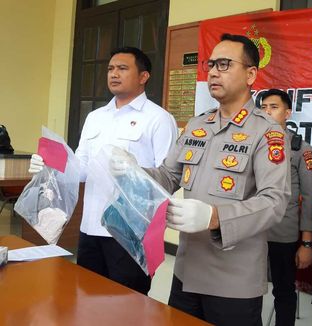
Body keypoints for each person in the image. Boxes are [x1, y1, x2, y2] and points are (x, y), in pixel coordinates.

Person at [134, 34, 291, 326]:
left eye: (224, 64)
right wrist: (131, 169)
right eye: (211, 65)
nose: (214, 72)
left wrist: (215, 216)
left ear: (251, 74)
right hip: (186, 272)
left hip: (233, 282)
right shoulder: (197, 125)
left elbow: (274, 201)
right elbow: (168, 177)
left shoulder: (267, 132)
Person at [29, 46, 178, 294]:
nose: (113, 74)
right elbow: (81, 168)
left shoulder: (158, 119)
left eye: (122, 68)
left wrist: (133, 170)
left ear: (143, 77)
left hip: (130, 232)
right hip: (90, 226)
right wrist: (51, 165)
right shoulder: (95, 117)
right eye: (110, 69)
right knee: (88, 298)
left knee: (127, 303)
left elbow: (168, 179)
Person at [261, 89, 312, 326]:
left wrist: (306, 243)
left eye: (273, 107)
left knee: (283, 291)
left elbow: (310, 196)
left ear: (287, 112)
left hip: (282, 231)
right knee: (247, 287)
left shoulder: (300, 148)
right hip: (253, 230)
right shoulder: (252, 141)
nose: (266, 112)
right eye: (263, 107)